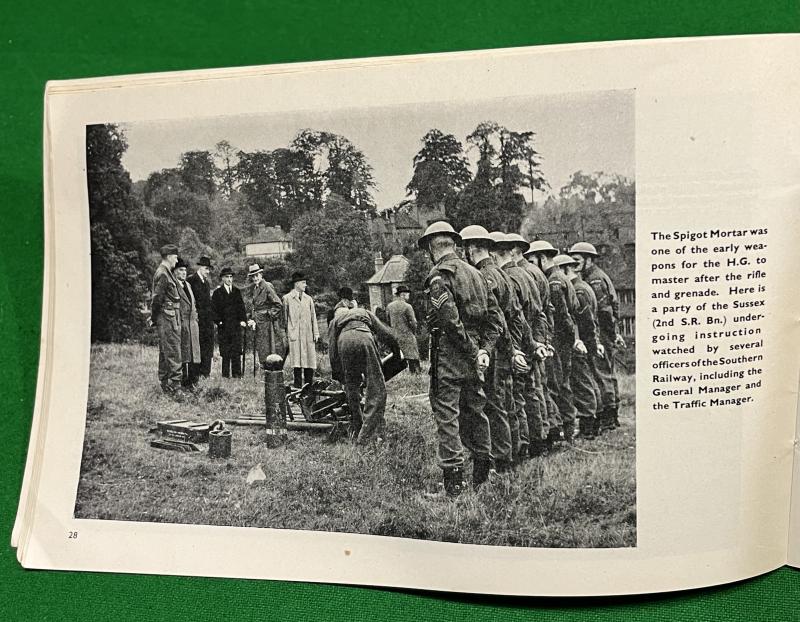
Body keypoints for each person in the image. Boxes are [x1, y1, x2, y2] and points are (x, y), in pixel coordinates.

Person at [418, 221, 503, 496]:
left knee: (448, 417)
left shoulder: (440, 277)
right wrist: (483, 351)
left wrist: (471, 350)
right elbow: (495, 321)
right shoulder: (478, 275)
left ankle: (453, 487)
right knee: (476, 413)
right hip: (475, 357)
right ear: (454, 245)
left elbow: (450, 323)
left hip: (451, 358)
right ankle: (482, 477)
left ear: (432, 248)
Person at [460, 226, 530, 472]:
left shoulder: (485, 276)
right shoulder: (500, 273)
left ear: (471, 248)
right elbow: (515, 316)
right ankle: (511, 454)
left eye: (465, 248)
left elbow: (496, 318)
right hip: (504, 347)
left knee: (494, 404)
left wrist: (497, 350)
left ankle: (501, 460)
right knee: (505, 403)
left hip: (495, 350)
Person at [491, 232, 550, 459]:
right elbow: (540, 312)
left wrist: (516, 348)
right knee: (531, 394)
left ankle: (522, 447)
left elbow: (515, 317)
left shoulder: (508, 278)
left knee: (514, 400)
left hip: (517, 343)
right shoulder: (527, 275)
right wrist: (539, 342)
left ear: (496, 254)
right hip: (531, 340)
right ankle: (537, 442)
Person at [527, 240, 581, 443]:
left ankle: (566, 430)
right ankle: (568, 428)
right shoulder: (561, 277)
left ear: (542, 258)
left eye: (533, 260)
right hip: (564, 340)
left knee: (557, 385)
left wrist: (566, 339)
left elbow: (563, 316)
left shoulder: (554, 282)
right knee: (562, 383)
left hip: (559, 340)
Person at [569, 242, 625, 431]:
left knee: (602, 373)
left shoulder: (595, 280)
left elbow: (605, 311)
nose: (574, 265)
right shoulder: (592, 277)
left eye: (577, 261)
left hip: (601, 332)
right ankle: (609, 414)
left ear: (589, 259)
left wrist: (606, 336)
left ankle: (609, 416)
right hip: (602, 332)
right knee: (604, 373)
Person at [329, 307, 401, 444]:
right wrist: (396, 353)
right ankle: (367, 435)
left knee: (351, 388)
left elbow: (332, 350)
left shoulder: (335, 321)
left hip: (343, 343)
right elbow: (385, 334)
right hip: (364, 337)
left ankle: (358, 427)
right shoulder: (363, 312)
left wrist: (339, 374)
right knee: (376, 388)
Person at [555, 254, 602, 439]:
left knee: (582, 385)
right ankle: (592, 424)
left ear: (565, 270)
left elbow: (583, 320)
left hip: (580, 343)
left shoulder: (578, 290)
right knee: (588, 382)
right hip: (585, 341)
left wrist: (580, 341)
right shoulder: (582, 287)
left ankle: (588, 427)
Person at [150, 244, 183, 395]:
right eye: (175, 257)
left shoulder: (166, 272)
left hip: (169, 315)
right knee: (173, 350)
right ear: (169, 257)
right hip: (167, 317)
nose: (177, 261)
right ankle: (175, 388)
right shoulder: (163, 273)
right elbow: (157, 299)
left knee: (165, 351)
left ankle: (165, 385)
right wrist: (154, 317)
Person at [246, 263, 287, 368]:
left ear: (261, 274)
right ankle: (266, 370)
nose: (255, 278)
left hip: (268, 325)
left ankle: (272, 370)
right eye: (253, 276)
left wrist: (268, 315)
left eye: (257, 275)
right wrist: (253, 319)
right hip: (260, 324)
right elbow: (256, 307)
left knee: (270, 348)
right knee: (262, 348)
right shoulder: (256, 288)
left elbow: (278, 304)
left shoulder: (267, 286)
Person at [283, 272, 319, 388]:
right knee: (297, 363)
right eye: (303, 283)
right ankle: (297, 389)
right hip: (294, 335)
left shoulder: (308, 299)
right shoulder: (287, 299)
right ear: (296, 284)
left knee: (309, 361)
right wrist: (286, 334)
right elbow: (284, 319)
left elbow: (313, 317)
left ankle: (309, 389)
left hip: (308, 334)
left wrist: (316, 333)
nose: (305, 285)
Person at [211, 267, 247, 378]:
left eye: (231, 277)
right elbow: (214, 310)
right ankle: (225, 375)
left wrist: (243, 320)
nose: (229, 279)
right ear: (222, 278)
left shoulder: (236, 291)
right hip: (224, 327)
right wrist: (219, 322)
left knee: (236, 351)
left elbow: (241, 308)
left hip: (236, 327)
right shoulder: (217, 293)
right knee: (225, 352)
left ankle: (237, 374)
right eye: (227, 277)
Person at [174, 258, 201, 388]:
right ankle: (183, 382)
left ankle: (193, 381)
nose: (184, 273)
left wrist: (195, 319)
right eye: (181, 270)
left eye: (185, 270)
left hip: (192, 324)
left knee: (193, 354)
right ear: (175, 272)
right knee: (183, 354)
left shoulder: (188, 285)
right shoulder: (173, 286)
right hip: (182, 323)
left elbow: (193, 304)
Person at [187, 256, 215, 378]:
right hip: (197, 321)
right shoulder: (191, 281)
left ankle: (205, 373)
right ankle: (195, 375)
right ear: (200, 267)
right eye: (206, 269)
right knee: (196, 347)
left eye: (209, 269)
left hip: (207, 321)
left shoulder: (207, 283)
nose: (207, 272)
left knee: (207, 348)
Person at [386, 284, 421, 374]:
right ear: (402, 295)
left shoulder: (389, 306)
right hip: (407, 335)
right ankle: (415, 375)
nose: (408, 296)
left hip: (395, 336)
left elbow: (388, 321)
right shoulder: (407, 306)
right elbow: (414, 322)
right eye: (407, 294)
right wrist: (413, 332)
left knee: (398, 358)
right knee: (413, 359)